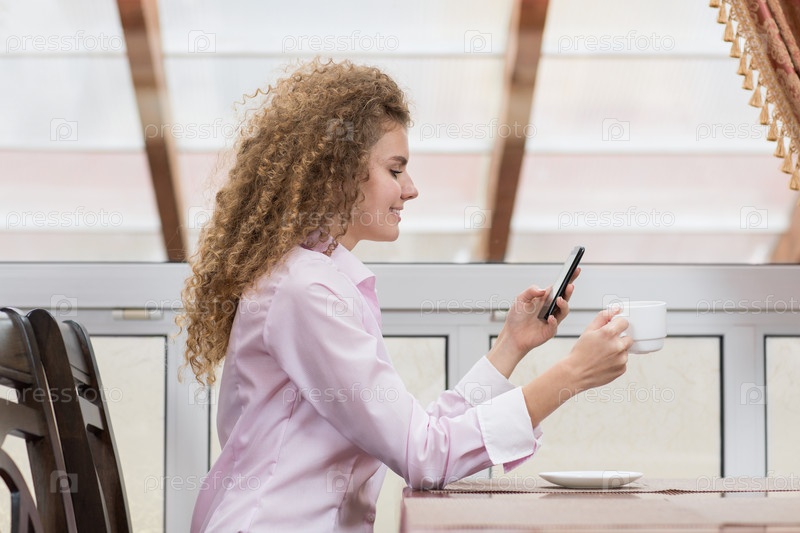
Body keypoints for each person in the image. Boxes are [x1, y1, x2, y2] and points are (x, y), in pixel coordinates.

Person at [180, 58, 633, 532]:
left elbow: (419, 435)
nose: (411, 189)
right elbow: (426, 455)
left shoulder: (316, 278)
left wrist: (510, 345)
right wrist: (571, 375)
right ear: (339, 173)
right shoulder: (306, 291)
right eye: (396, 170)